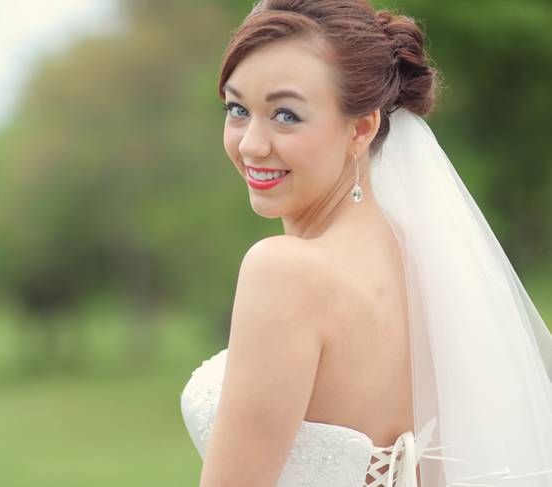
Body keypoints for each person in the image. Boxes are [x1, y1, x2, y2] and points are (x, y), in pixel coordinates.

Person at [180, 1, 552, 486]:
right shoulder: (425, 261)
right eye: (237, 109)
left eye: (286, 115)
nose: (251, 143)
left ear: (361, 128)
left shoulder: (283, 272)